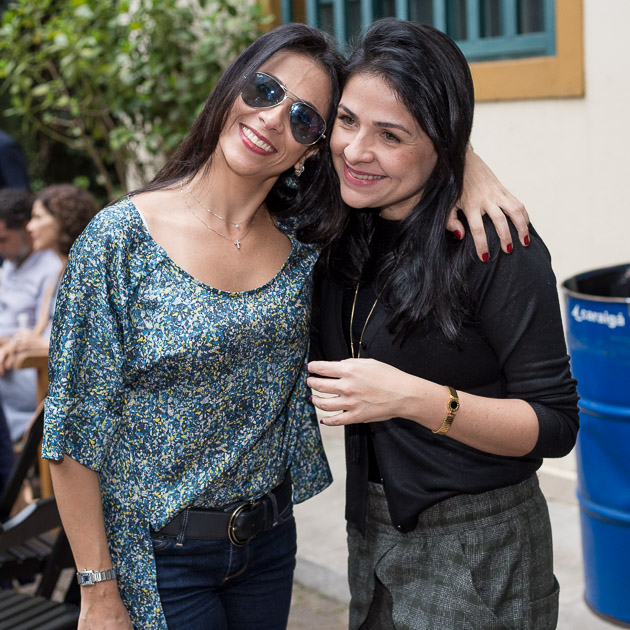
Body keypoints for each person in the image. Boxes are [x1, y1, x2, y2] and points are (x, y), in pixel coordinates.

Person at [43, 22, 528, 630]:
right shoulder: (120, 240)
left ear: (313, 149)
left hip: (268, 547)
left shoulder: (314, 240)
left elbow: (404, 140)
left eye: (304, 119)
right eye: (265, 90)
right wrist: (97, 590)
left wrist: (465, 164)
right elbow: (71, 429)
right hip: (159, 556)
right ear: (232, 86)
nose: (273, 119)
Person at [308, 19, 579, 630]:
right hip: (371, 538)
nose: (356, 150)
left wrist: (415, 398)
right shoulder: (337, 224)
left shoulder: (495, 246)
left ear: (442, 141)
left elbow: (556, 423)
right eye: (347, 121)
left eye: (390, 135)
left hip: (481, 547)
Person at [0, 184, 98, 381]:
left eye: (38, 217)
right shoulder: (60, 271)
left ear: (62, 221)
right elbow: (39, 331)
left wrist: (43, 344)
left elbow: (97, 343)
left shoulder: (87, 273)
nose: (30, 227)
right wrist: (16, 344)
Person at [0, 188, 61, 440]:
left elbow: (42, 334)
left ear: (26, 229)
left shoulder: (53, 268)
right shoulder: (9, 265)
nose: (0, 248)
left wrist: (10, 344)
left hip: (27, 367)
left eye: (3, 239)